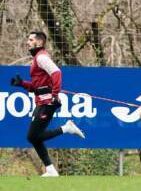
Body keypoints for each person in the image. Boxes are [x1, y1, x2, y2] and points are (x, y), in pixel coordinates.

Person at [10, 31, 85, 177]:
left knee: (33, 136)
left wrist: (55, 95)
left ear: (39, 42)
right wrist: (22, 84)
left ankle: (66, 128)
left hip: (47, 101)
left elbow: (57, 73)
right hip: (42, 100)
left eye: (30, 39)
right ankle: (50, 169)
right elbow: (37, 87)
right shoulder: (38, 58)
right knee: (33, 137)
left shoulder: (42, 57)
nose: (27, 42)